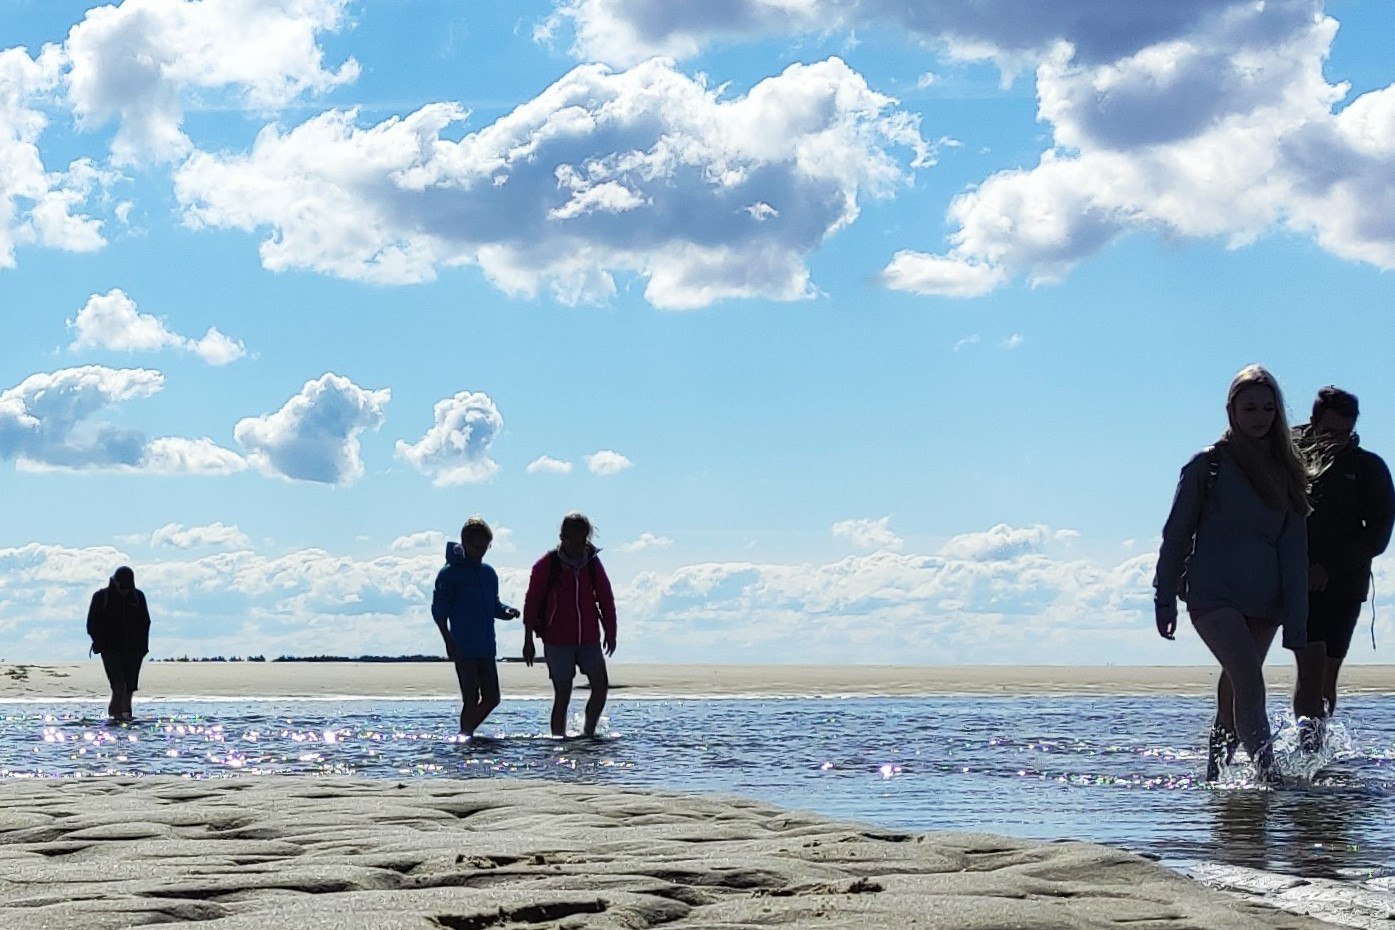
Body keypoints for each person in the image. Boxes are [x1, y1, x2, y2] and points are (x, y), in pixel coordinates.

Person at [1154, 365, 1310, 784]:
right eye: (1250, 408)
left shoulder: (1287, 471)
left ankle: (1214, 778)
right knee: (1249, 679)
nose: (1259, 417)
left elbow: (1294, 553)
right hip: (1213, 595)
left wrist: (1296, 620)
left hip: (1265, 601)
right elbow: (1176, 536)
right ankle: (1270, 777)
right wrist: (1164, 598)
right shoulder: (1208, 466)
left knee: (1234, 694)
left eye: (1268, 408)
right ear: (1232, 411)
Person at [1291, 387, 1394, 746]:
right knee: (1311, 668)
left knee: (1327, 677)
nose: (1335, 441)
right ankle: (1306, 752)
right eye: (1329, 431)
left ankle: (1316, 749)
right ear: (1314, 421)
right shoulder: (1289, 453)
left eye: (1345, 433)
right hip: (1298, 581)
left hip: (1346, 585)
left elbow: (1378, 536)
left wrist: (1329, 568)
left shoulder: (1368, 468)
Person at [522, 513, 617, 737]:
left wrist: (611, 631)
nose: (578, 547)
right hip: (557, 640)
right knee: (563, 694)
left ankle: (588, 733)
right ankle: (558, 740)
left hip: (589, 638)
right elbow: (531, 603)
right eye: (573, 542)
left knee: (600, 686)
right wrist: (528, 640)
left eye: (582, 542)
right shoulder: (546, 565)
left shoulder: (592, 563)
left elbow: (605, 598)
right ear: (562, 538)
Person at [431, 518, 520, 736]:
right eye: (477, 547)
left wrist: (507, 611)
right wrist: (447, 639)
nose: (481, 552)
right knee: (471, 697)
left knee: (493, 698)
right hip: (463, 646)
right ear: (465, 543)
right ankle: (465, 736)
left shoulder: (488, 573)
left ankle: (466, 734)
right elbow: (439, 610)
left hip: (486, 646)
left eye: (485, 547)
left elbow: (494, 605)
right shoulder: (449, 574)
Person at [86, 566, 152, 722]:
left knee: (129, 689)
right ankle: (114, 719)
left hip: (134, 650)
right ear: (115, 582)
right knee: (119, 687)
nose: (125, 591)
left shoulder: (138, 596)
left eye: (128, 588)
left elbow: (146, 622)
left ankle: (126, 718)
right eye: (122, 587)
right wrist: (100, 644)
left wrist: (143, 648)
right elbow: (91, 624)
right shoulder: (101, 597)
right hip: (110, 650)